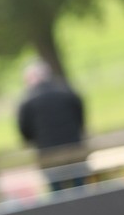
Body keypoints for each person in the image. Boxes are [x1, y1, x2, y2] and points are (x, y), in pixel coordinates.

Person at [17, 59, 87, 192]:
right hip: (74, 147)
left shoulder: (28, 101)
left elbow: (25, 130)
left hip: (47, 153)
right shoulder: (67, 92)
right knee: (81, 188)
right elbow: (80, 116)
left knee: (57, 192)